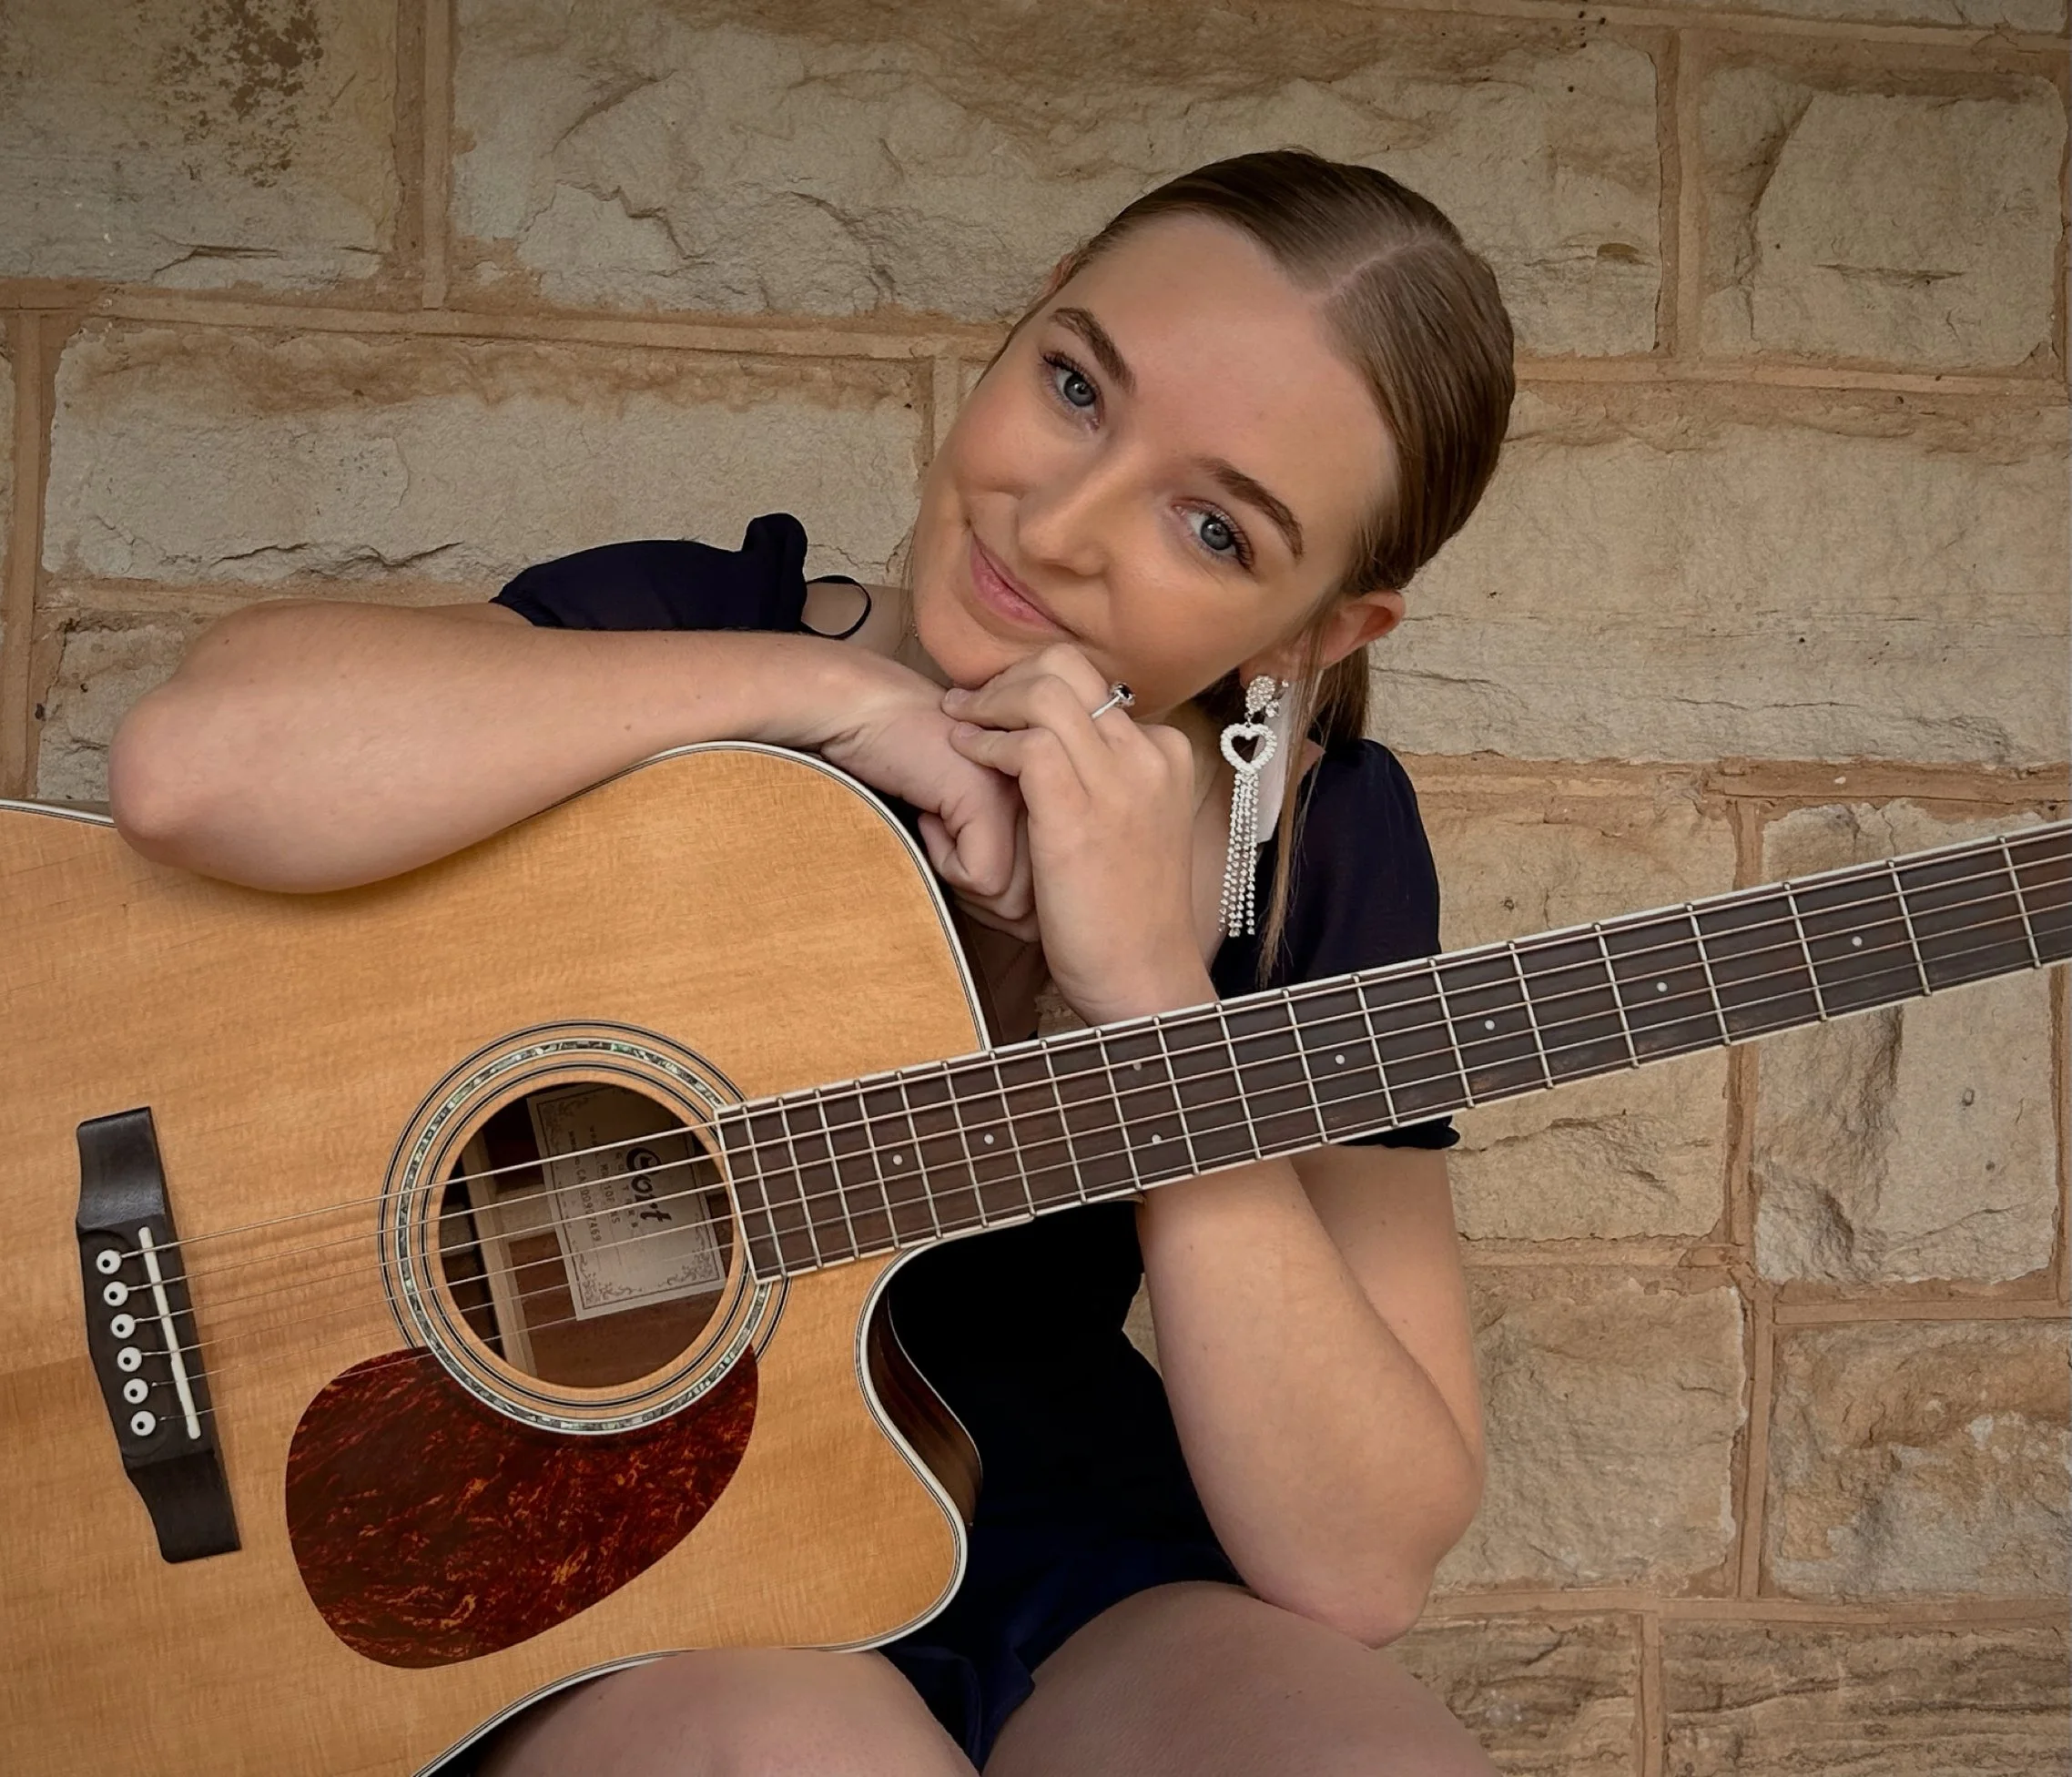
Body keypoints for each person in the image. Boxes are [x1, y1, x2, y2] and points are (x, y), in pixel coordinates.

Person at [109, 148, 1517, 1777]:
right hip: (591, 1523)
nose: (1057, 526)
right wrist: (832, 702)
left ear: (1316, 634)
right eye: (1073, 385)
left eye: (1212, 525)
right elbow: (195, 770)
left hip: (1036, 1513)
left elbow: (1360, 1558)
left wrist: (1150, 1008)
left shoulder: (1318, 858)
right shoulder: (695, 634)